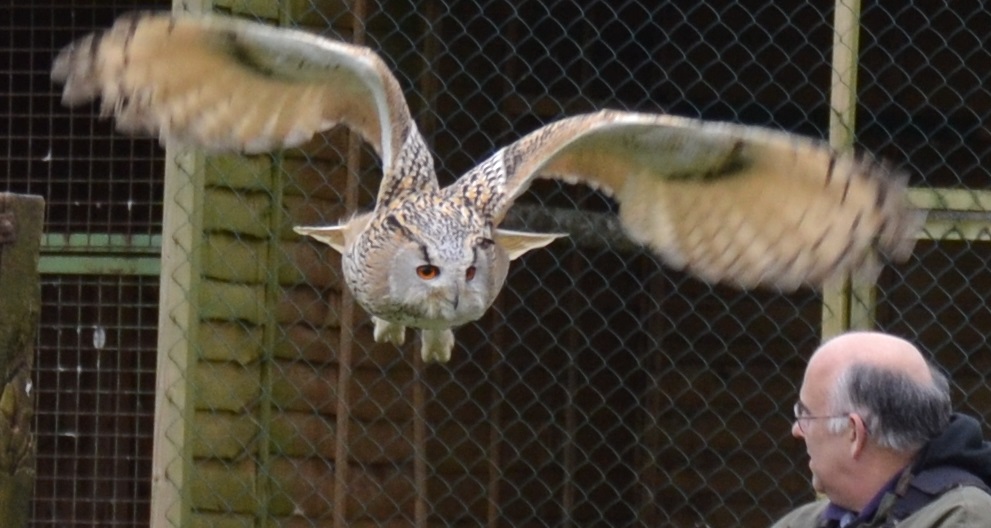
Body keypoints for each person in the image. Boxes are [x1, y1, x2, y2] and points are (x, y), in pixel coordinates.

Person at [771, 331, 991, 527]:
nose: (797, 430)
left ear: (853, 433)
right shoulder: (805, 521)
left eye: (806, 415)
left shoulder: (965, 519)